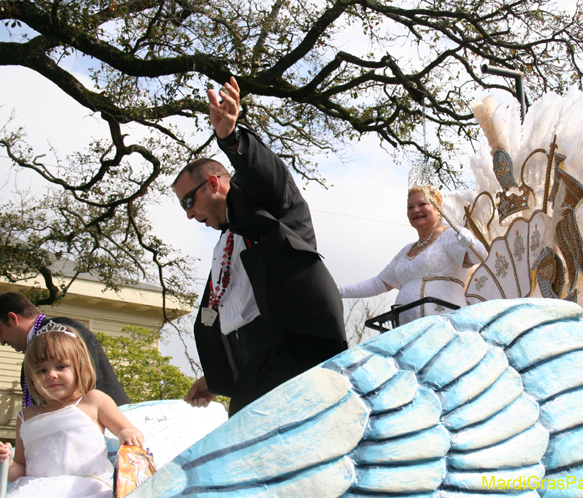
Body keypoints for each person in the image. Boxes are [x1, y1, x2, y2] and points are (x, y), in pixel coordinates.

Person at [175, 76, 347, 416]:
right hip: (253, 370)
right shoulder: (223, 243)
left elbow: (267, 175)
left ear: (213, 183)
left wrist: (231, 138)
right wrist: (215, 377)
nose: (189, 214)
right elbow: (233, 314)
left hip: (293, 351)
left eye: (188, 201)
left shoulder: (266, 206)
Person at [0, 323, 143, 497]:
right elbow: (21, 470)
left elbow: (125, 429)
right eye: (41, 370)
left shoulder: (93, 400)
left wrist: (127, 434)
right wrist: (8, 464)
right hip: (35, 489)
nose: (51, 375)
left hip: (83, 487)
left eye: (61, 367)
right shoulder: (26, 416)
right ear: (31, 377)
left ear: (79, 367)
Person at [339, 185, 488, 325]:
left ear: (438, 208)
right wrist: (338, 291)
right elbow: (378, 283)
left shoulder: (449, 235)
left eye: (422, 204)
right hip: (406, 331)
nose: (416, 210)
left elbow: (478, 257)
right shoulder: (405, 251)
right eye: (410, 207)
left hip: (444, 326)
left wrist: (471, 243)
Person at [0, 292, 130, 407]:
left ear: (12, 318)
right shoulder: (34, 350)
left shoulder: (59, 333)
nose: (2, 342)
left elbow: (85, 385)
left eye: (0, 332)